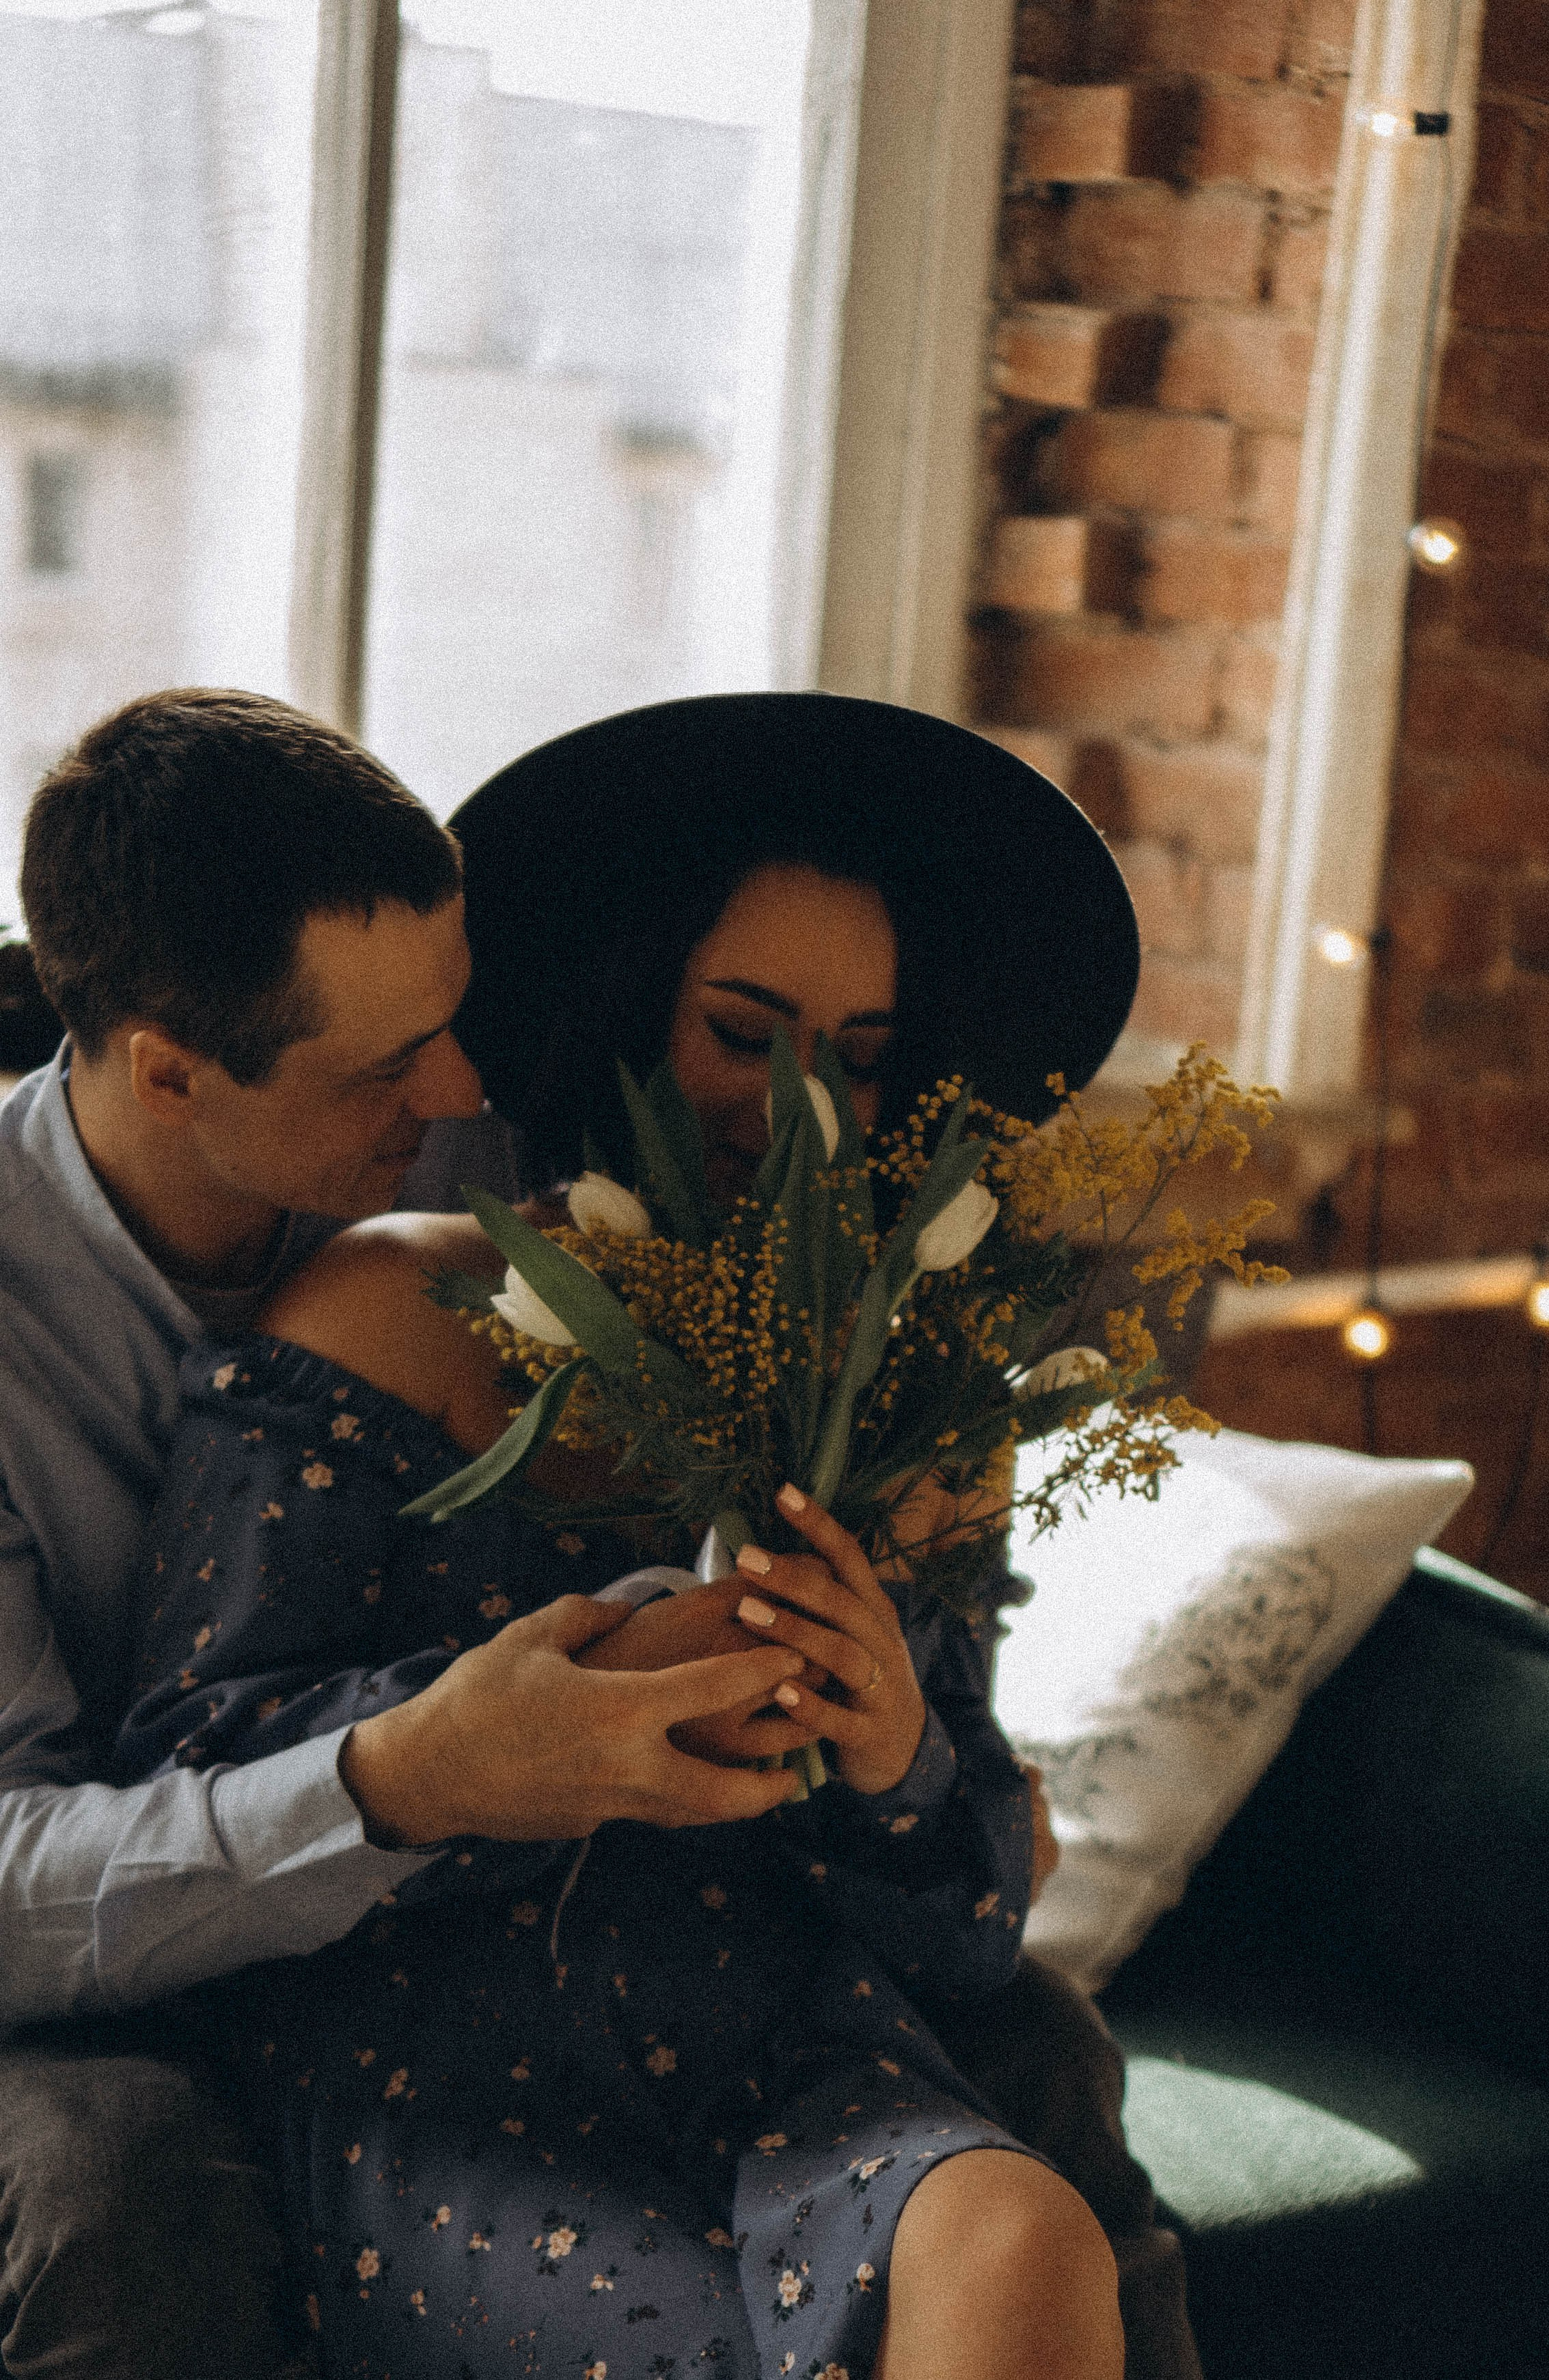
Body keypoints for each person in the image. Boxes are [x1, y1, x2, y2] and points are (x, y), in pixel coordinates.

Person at [110, 696, 1198, 2376]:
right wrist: (547, 1704)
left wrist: (901, 1751)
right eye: (745, 1035)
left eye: (854, 1056)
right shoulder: (395, 1302)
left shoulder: (911, 1401)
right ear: (627, 1007)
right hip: (445, 2067)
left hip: (796, 2047)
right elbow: (183, 1757)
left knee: (1024, 2234)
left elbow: (972, 1931)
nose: (804, 1110)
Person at [0, 689, 816, 2380]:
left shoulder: (474, 1162)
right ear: (167, 1069)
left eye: (450, 1019)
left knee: (1027, 2031)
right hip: (96, 1965)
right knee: (118, 2180)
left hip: (484, 1914)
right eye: (385, 1061)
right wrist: (394, 1782)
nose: (455, 1086)